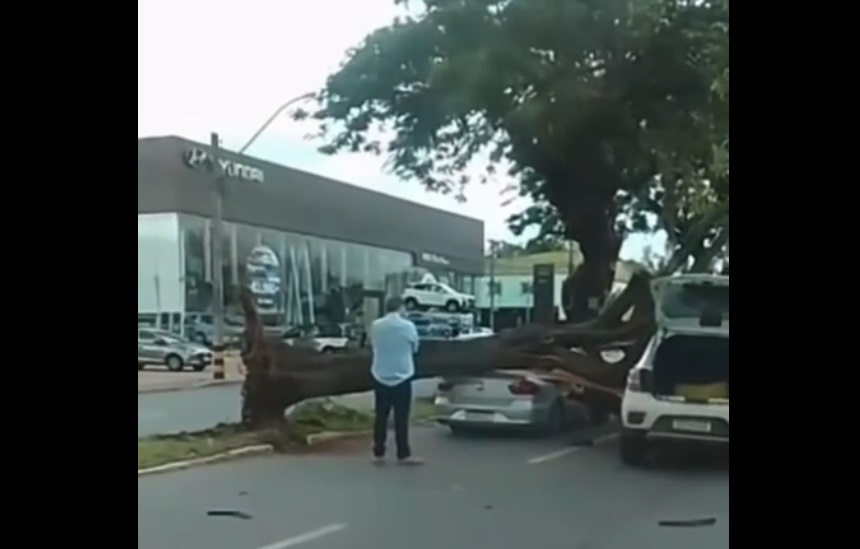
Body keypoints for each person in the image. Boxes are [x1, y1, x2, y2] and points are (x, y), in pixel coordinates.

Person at [369, 296, 423, 465]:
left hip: (380, 373)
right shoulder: (408, 326)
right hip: (402, 375)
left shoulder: (376, 326)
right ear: (401, 308)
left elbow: (373, 345)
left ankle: (379, 450)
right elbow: (415, 347)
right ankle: (403, 453)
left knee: (381, 415)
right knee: (401, 417)